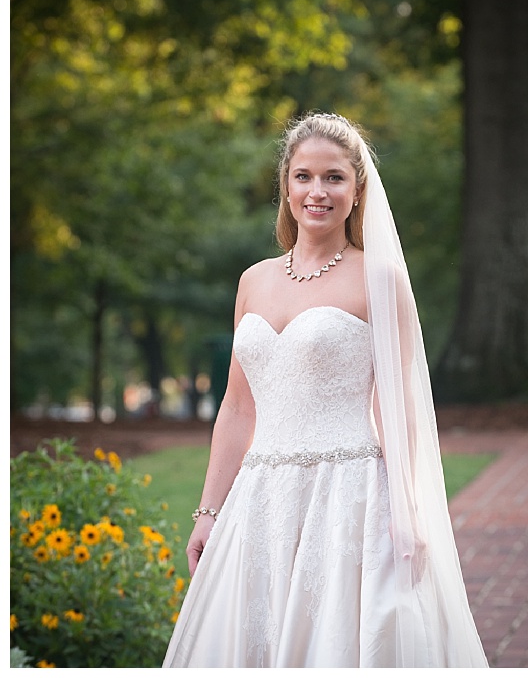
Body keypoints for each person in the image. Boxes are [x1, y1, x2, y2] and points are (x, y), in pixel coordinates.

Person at [163, 113, 489, 667]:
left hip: (349, 495)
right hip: (260, 498)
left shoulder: (379, 279)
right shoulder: (253, 280)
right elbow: (239, 407)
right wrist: (208, 512)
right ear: (286, 185)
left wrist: (407, 508)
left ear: (357, 189)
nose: (318, 191)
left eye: (334, 177)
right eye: (304, 176)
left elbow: (396, 402)